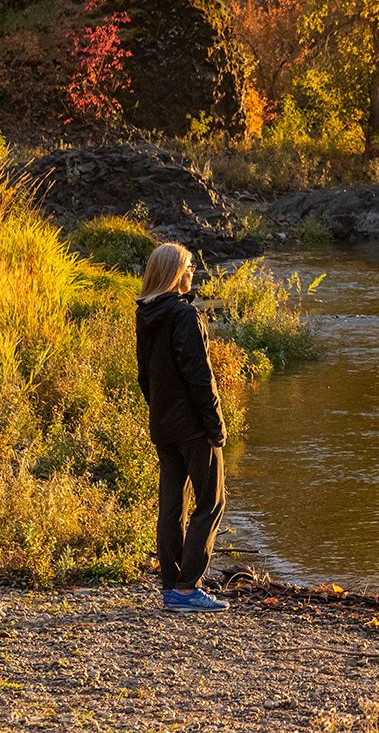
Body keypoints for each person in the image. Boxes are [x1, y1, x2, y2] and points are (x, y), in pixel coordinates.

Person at [135, 242, 229, 613]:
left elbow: (144, 375)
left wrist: (160, 410)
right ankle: (188, 588)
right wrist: (214, 423)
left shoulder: (146, 314)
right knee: (212, 500)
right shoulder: (184, 315)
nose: (193, 273)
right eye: (190, 267)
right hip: (191, 424)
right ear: (176, 273)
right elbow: (199, 376)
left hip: (163, 424)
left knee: (172, 505)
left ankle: (172, 587)